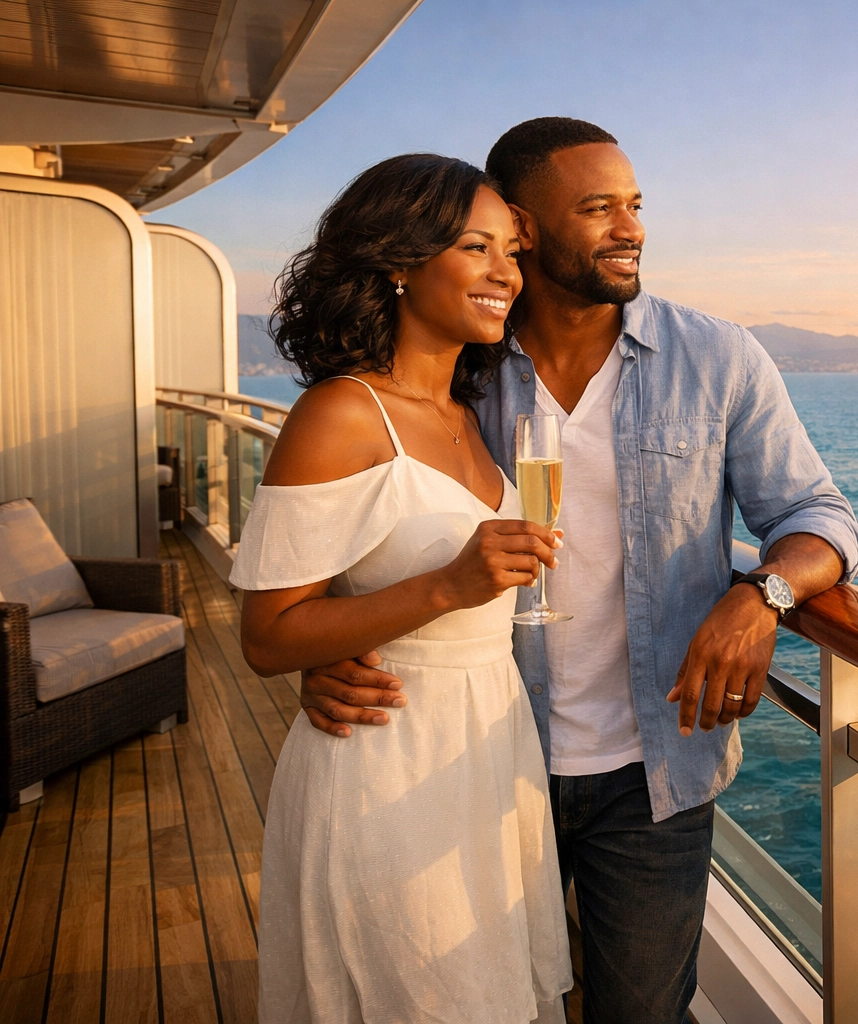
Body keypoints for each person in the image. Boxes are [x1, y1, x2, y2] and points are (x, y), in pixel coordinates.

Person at [299, 118, 858, 1024]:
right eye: (599, 208)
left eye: (636, 205)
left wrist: (760, 595)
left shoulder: (715, 357)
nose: (631, 227)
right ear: (525, 227)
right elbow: (363, 527)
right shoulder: (457, 362)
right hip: (477, 753)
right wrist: (323, 643)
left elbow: (820, 517)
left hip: (654, 770)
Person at [232, 154, 572, 1023]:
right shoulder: (341, 415)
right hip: (386, 759)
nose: (506, 272)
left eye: (512, 251)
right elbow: (268, 636)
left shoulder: (474, 413)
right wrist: (445, 587)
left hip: (490, 750)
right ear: (397, 261)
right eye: (476, 247)